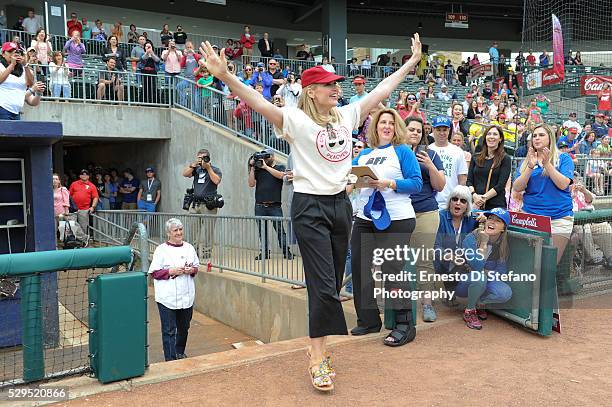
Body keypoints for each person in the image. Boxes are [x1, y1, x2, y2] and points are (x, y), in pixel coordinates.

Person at [199, 33, 422, 391]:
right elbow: (257, 102)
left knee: (331, 285)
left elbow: (381, 92)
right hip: (308, 206)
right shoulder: (295, 120)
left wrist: (410, 64)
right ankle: (317, 356)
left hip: (340, 205)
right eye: (328, 85)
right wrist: (225, 76)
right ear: (311, 91)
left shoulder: (347, 115)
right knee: (320, 285)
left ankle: (318, 346)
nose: (336, 89)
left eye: (336, 84)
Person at [349, 108, 422, 346]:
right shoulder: (364, 154)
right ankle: (368, 320)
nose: (387, 126)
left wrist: (389, 183)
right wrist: (353, 183)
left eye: (391, 122)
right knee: (360, 267)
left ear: (397, 127)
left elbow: (416, 183)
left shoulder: (402, 151)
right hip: (366, 217)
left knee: (392, 268)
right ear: (375, 127)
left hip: (397, 217)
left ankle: (405, 324)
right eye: (383, 122)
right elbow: (350, 178)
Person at [513, 124, 574, 264]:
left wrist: (547, 164)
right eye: (534, 136)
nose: (537, 138)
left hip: (558, 218)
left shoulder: (563, 158)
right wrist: (530, 166)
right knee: (527, 264)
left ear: (550, 138)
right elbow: (517, 187)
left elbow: (563, 184)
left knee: (549, 266)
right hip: (531, 218)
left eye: (541, 135)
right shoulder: (526, 162)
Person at [405, 117, 446, 322]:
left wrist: (430, 165)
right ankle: (397, 303)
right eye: (411, 129)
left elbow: (440, 186)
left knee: (424, 259)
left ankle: (427, 304)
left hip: (426, 212)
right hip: (399, 213)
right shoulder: (394, 153)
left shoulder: (430, 154)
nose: (415, 133)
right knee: (394, 258)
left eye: (419, 131)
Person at [149, 218, 202, 361]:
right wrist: (171, 271)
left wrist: (191, 269)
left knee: (184, 328)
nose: (179, 233)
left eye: (180, 229)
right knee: (169, 330)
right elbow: (154, 272)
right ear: (168, 233)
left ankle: (179, 351)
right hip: (167, 297)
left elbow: (196, 267)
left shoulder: (189, 248)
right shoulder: (161, 250)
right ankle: (170, 359)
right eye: (175, 230)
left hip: (187, 295)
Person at [457, 207, 513, 330]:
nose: (492, 222)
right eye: (490, 218)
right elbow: (477, 266)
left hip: (482, 281)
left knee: (505, 293)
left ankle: (478, 303)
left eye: (497, 221)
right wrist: (483, 243)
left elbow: (501, 272)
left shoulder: (502, 245)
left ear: (503, 228)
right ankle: (469, 311)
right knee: (479, 277)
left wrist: (483, 272)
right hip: (462, 284)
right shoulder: (471, 238)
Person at [248, 149, 293, 259]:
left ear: (272, 157)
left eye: (267, 157)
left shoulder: (279, 167)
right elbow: (251, 184)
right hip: (259, 206)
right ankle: (264, 252)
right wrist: (252, 168)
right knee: (262, 231)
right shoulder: (258, 169)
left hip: (275, 206)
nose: (265, 159)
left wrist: (266, 167)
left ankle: (286, 251)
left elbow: (281, 176)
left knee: (280, 230)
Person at [182, 149, 222, 259]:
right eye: (199, 158)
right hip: (195, 204)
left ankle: (207, 253)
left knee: (208, 231)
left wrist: (208, 168)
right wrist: (192, 165)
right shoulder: (196, 169)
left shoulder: (215, 169)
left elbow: (217, 181)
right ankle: (193, 252)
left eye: (203, 158)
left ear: (208, 158)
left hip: (208, 205)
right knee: (193, 230)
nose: (201, 160)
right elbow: (185, 174)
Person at [433, 185, 479, 278]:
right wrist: (451, 257)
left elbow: (490, 216)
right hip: (441, 269)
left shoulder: (471, 218)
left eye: (463, 201)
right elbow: (435, 247)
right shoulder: (440, 217)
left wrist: (484, 218)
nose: (458, 203)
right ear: (450, 202)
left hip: (463, 269)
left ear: (467, 206)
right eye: (454, 199)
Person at [467, 125, 512, 210]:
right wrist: (474, 196)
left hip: (495, 205)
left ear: (500, 139)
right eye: (489, 134)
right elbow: (469, 181)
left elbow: (500, 185)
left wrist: (483, 198)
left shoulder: (505, 159)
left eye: (495, 134)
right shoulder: (475, 157)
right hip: (475, 203)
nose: (491, 136)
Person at [428, 116, 468, 209]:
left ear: (449, 130)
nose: (442, 133)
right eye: (438, 129)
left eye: (444, 130)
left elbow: (462, 179)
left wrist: (458, 199)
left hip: (450, 201)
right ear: (433, 130)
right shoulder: (428, 149)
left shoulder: (457, 151)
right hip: (430, 200)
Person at [0, 41, 34, 120]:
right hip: (3, 108)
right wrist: (12, 64)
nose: (13, 54)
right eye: (9, 51)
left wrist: (25, 65)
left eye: (15, 51)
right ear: (3, 54)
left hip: (16, 111)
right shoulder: (1, 66)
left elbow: (30, 83)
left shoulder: (22, 68)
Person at [68, 169, 99, 239]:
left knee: (83, 227)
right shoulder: (74, 184)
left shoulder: (92, 186)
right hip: (73, 209)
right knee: (72, 224)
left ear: (88, 176)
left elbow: (95, 197)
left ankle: (83, 242)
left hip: (84, 209)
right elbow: (69, 196)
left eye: (86, 174)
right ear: (80, 176)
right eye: (82, 174)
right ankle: (76, 241)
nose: (84, 176)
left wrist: (93, 207)